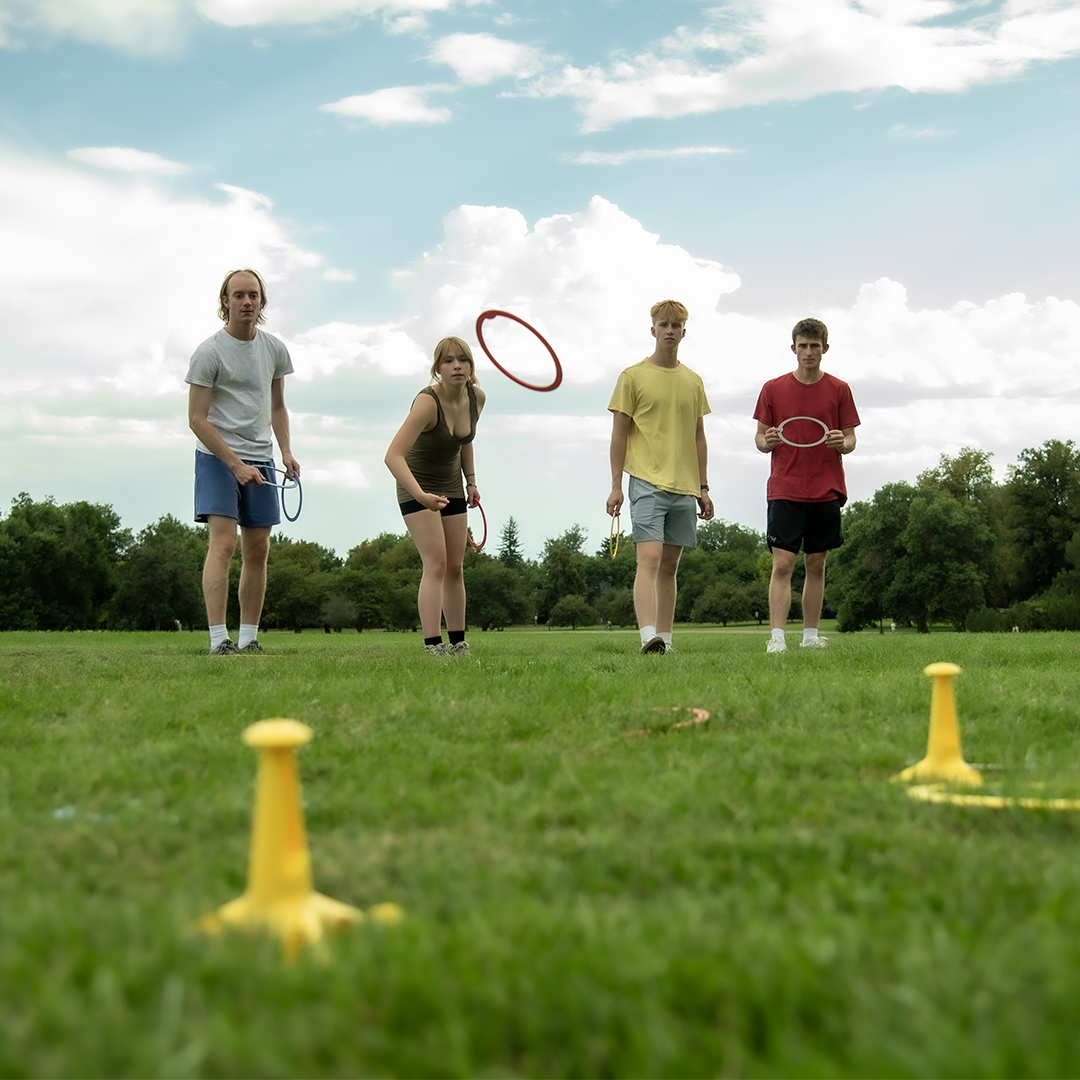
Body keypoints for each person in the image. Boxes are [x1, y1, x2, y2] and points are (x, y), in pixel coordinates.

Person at [186, 268, 299, 655]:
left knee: (258, 549)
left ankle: (249, 638)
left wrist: (285, 452)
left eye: (253, 295)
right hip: (217, 457)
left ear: (261, 301)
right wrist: (234, 464)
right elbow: (196, 419)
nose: (247, 302)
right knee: (223, 544)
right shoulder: (209, 352)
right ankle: (219, 640)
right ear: (226, 301)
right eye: (239, 295)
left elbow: (278, 407)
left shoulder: (274, 349)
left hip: (261, 458)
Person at [606, 300, 714, 655]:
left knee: (669, 566)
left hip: (684, 486)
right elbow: (619, 435)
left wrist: (703, 487)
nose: (670, 330)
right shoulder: (632, 377)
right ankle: (647, 636)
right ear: (653, 329)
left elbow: (698, 437)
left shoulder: (693, 381)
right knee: (649, 559)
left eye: (676, 325)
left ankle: (665, 641)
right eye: (664, 325)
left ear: (684, 331)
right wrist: (616, 485)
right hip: (646, 482)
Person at [753, 317, 860, 653]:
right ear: (793, 348)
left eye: (815, 346)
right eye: (803, 345)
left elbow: (851, 438)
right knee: (783, 564)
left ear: (825, 348)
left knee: (816, 564)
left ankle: (811, 637)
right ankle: (777, 638)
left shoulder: (839, 389)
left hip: (825, 488)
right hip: (785, 487)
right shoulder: (773, 388)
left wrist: (843, 442)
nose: (809, 352)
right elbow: (759, 438)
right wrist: (767, 441)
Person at [384, 337, 486, 655]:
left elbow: (465, 440)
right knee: (436, 563)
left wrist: (471, 481)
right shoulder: (428, 403)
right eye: (448, 361)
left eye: (463, 360)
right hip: (416, 484)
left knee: (455, 566)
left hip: (452, 485)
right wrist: (421, 496)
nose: (457, 366)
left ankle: (458, 643)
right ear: (437, 368)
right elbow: (392, 456)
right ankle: (433, 645)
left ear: (471, 366)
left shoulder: (477, 397)